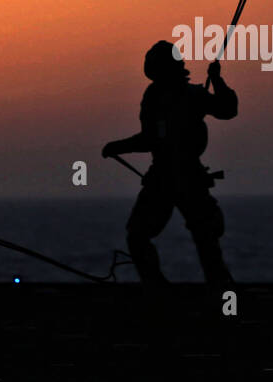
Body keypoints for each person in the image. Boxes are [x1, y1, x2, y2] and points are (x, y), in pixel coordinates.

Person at [102, 41, 238, 287]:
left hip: (180, 177)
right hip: (170, 177)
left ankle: (213, 289)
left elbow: (227, 110)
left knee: (203, 236)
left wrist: (217, 80)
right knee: (141, 235)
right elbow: (150, 138)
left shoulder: (189, 96)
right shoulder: (157, 97)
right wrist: (118, 147)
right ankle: (160, 287)